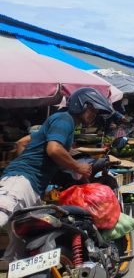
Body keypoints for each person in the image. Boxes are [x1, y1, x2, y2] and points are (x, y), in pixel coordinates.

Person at [0, 87, 117, 259]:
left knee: (20, 251)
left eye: (96, 112)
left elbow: (21, 143)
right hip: (20, 182)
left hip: (31, 187)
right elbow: (54, 149)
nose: (94, 115)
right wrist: (78, 167)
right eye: (92, 109)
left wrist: (35, 166)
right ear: (80, 104)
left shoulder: (60, 122)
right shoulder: (64, 119)